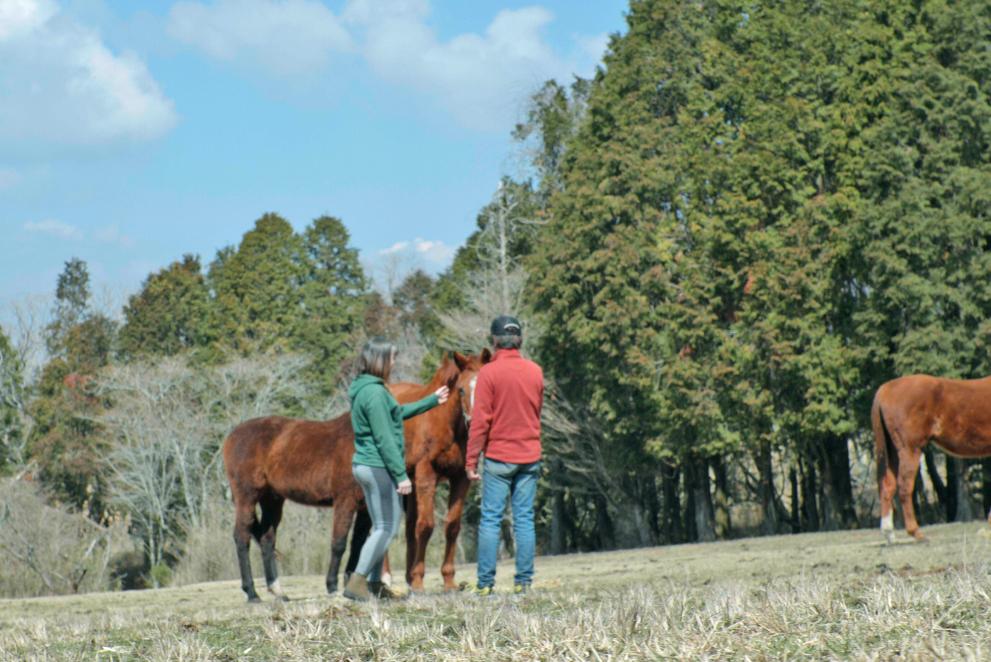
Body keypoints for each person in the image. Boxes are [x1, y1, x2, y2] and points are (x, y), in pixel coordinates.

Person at [344, 337, 449, 601]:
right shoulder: (376, 393)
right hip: (377, 467)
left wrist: (431, 401)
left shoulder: (366, 389)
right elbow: (384, 438)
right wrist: (401, 475)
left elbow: (395, 412)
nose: (394, 362)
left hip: (365, 465)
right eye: (391, 358)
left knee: (381, 525)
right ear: (380, 361)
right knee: (386, 528)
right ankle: (357, 582)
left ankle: (377, 585)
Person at [466, 315, 544, 596]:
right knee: (524, 518)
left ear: (494, 341)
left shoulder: (488, 374)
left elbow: (480, 422)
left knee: (490, 519)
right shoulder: (535, 371)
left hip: (499, 456)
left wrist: (471, 460)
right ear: (520, 340)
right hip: (530, 455)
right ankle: (523, 582)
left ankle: (486, 584)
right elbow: (536, 412)